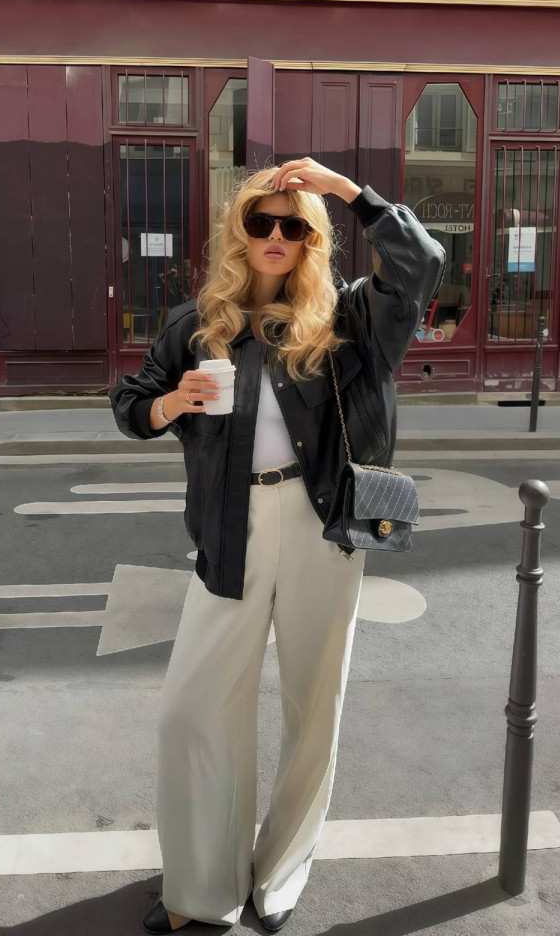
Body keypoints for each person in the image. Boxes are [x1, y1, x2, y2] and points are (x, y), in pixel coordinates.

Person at [109, 159, 446, 933]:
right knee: (192, 711)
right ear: (241, 229)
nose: (275, 234)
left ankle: (282, 872)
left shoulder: (348, 319)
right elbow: (130, 405)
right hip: (231, 529)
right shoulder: (197, 323)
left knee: (312, 708)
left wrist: (346, 191)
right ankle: (202, 887)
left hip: (319, 527)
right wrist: (172, 401)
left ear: (310, 239)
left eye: (293, 224)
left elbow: (422, 262)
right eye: (260, 220)